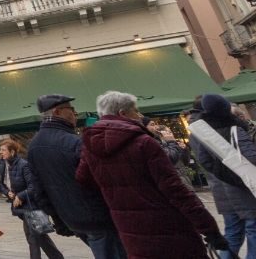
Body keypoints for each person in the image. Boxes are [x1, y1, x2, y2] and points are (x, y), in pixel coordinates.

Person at [77, 90, 227, 259]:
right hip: (168, 227)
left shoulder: (89, 147)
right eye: (136, 111)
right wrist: (209, 228)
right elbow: (176, 189)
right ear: (123, 113)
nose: (139, 115)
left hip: (130, 230)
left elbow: (84, 179)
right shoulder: (143, 142)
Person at [27, 94, 125, 259]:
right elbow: (100, 179)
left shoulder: (34, 146)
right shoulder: (73, 142)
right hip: (98, 217)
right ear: (57, 112)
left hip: (72, 219)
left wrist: (58, 219)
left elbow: (39, 190)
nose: (75, 113)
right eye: (71, 109)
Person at [189, 93, 256, 259]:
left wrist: (224, 175)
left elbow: (205, 161)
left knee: (233, 231)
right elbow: (251, 157)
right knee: (252, 228)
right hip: (244, 187)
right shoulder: (232, 127)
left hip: (222, 188)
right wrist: (237, 176)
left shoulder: (199, 131)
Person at [0, 139, 64, 259]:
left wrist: (20, 195)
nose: (0, 152)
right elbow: (1, 184)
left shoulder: (24, 165)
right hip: (22, 208)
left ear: (12, 152)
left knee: (32, 238)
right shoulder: (3, 164)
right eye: (0, 150)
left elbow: (33, 186)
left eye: (3, 150)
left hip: (33, 206)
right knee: (40, 237)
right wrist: (8, 193)